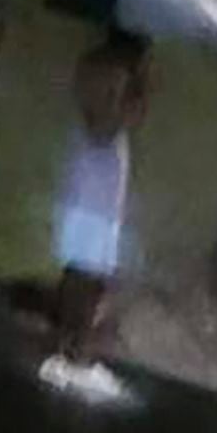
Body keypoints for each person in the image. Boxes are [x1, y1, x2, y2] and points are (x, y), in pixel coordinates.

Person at [52, 31, 148, 358]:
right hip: (99, 183)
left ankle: (68, 340)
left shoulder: (89, 65)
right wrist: (134, 100)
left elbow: (86, 111)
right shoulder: (116, 74)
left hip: (85, 176)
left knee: (78, 270)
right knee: (90, 274)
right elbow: (105, 127)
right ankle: (75, 345)